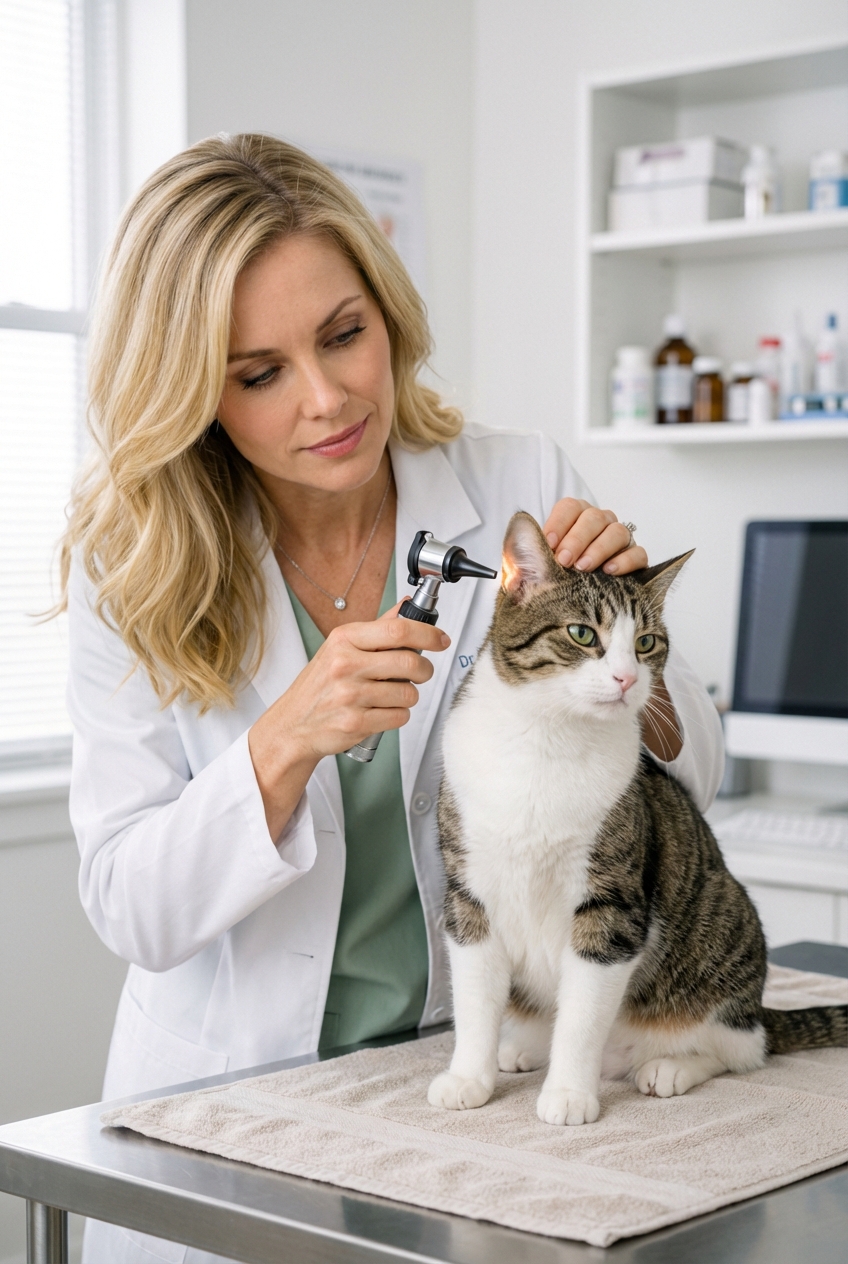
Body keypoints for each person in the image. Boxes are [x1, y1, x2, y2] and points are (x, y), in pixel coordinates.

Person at [61, 134, 723, 1263]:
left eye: (343, 335)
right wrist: (279, 747)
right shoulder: (132, 566)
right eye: (258, 372)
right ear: (188, 389)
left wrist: (628, 665)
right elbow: (132, 907)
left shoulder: (518, 485)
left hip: (445, 1092)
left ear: (387, 310)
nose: (326, 400)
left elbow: (685, 780)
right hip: (223, 1110)